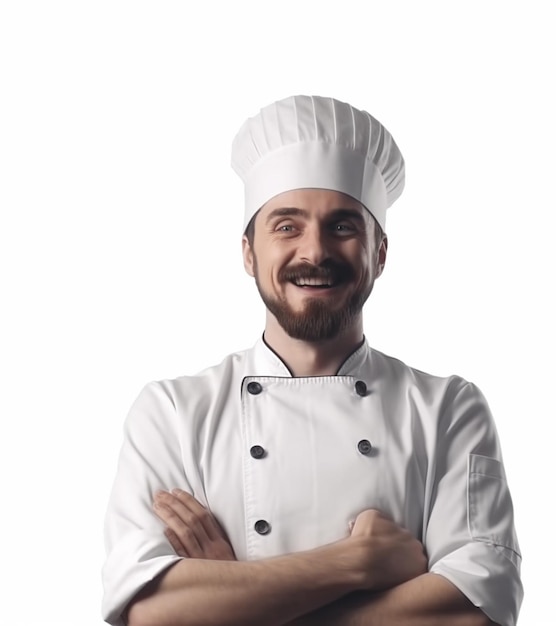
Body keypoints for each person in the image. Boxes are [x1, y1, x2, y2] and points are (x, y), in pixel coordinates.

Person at [102, 95, 523, 626]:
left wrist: (236, 603)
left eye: (343, 226)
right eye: (287, 226)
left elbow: (477, 610)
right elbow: (149, 612)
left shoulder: (449, 408)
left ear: (380, 253)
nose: (315, 251)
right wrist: (357, 563)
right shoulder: (171, 411)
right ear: (249, 252)